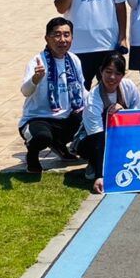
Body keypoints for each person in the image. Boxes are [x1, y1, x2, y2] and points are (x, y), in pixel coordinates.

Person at [18, 17, 85, 174]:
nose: (62, 39)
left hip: (65, 118)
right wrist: (35, 79)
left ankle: (59, 145)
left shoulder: (74, 60)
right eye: (57, 35)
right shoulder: (37, 61)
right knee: (42, 137)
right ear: (47, 38)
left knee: (92, 118)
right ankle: (32, 156)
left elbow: (82, 91)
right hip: (38, 118)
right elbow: (25, 91)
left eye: (66, 35)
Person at [73, 52, 140, 194]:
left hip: (119, 136)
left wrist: (124, 113)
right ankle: (95, 163)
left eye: (117, 73)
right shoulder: (93, 99)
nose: (112, 78)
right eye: (108, 72)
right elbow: (97, 139)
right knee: (95, 146)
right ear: (101, 71)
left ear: (123, 75)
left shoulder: (129, 87)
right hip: (91, 140)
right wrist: (100, 176)